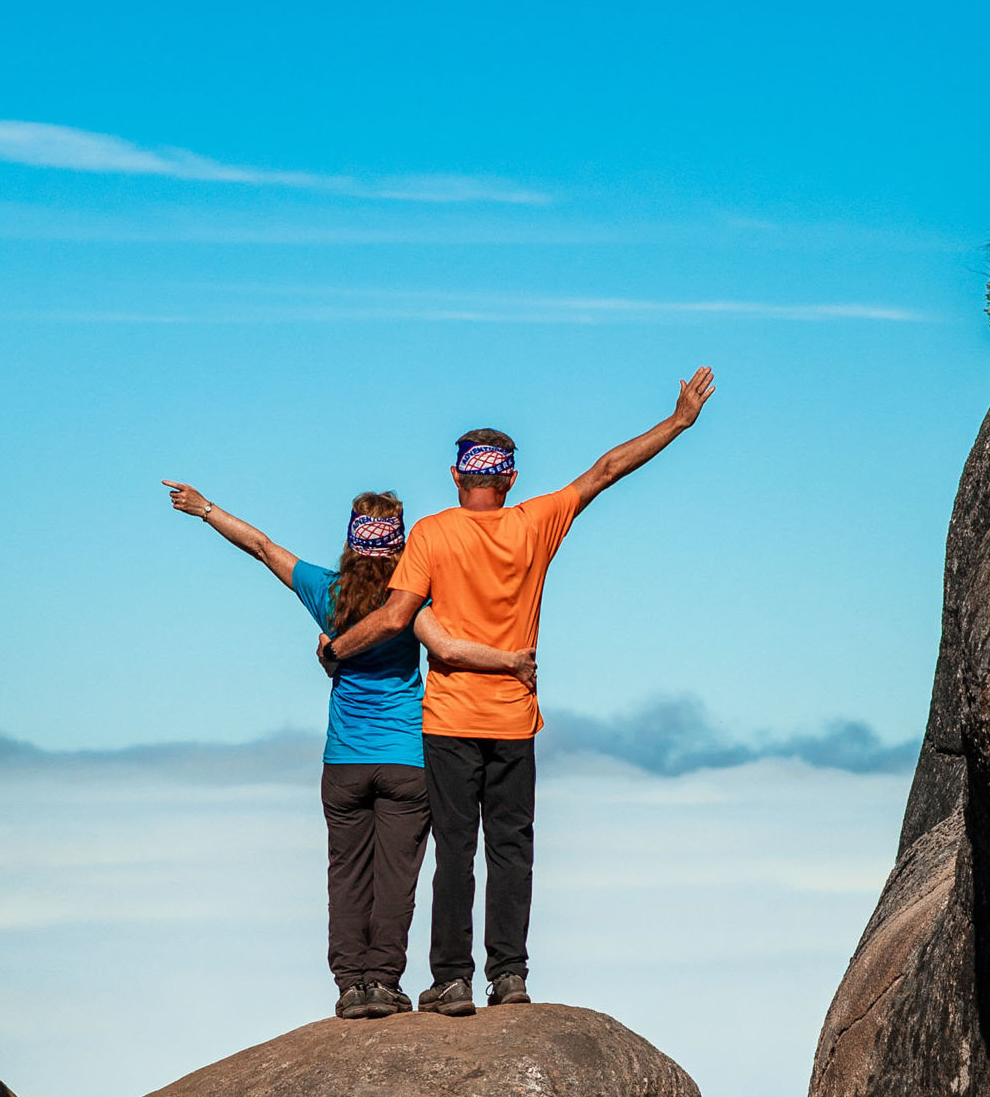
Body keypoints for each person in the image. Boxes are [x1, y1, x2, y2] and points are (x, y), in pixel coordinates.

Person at [325, 370, 714, 1014]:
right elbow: (606, 469)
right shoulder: (535, 522)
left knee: (455, 853)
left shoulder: (430, 533)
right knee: (511, 851)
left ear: (457, 476)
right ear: (509, 477)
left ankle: (450, 979)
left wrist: (336, 649)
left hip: (448, 720)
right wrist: (678, 422)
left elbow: (396, 618)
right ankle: (508, 976)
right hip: (512, 719)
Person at [162, 479, 536, 1018]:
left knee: (347, 874)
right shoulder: (411, 601)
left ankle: (349, 986)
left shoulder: (327, 591)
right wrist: (510, 662)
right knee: (396, 878)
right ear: (401, 544)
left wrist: (205, 509)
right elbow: (450, 648)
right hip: (407, 759)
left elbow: (263, 546)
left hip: (344, 761)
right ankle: (383, 982)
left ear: (351, 541)